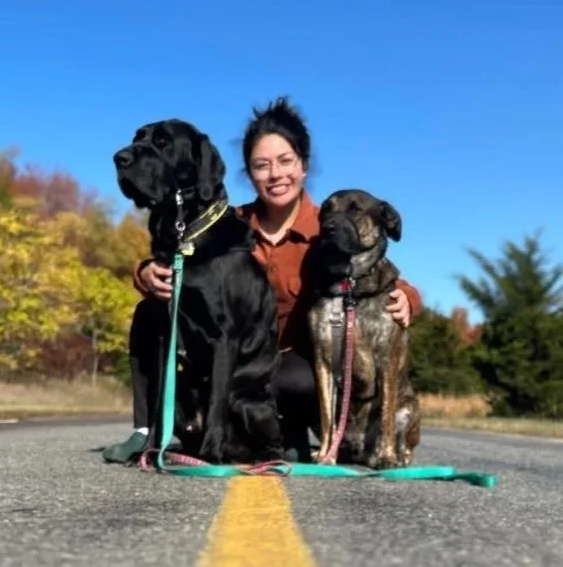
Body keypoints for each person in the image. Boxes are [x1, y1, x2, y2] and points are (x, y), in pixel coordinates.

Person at [103, 98, 421, 463]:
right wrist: (144, 272)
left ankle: (284, 432)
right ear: (250, 173)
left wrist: (407, 297)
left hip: (289, 360)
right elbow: (180, 252)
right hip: (227, 356)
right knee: (149, 313)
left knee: (296, 379)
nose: (276, 175)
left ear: (303, 166)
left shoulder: (328, 224)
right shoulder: (224, 221)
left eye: (286, 162)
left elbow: (375, 270)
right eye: (262, 165)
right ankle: (146, 431)